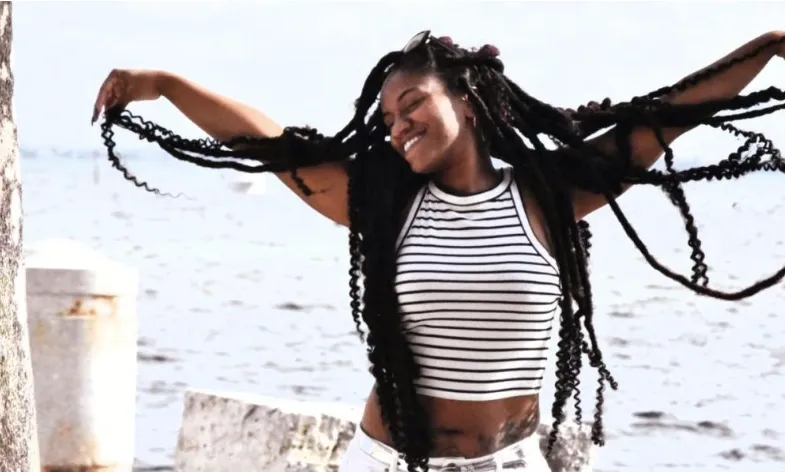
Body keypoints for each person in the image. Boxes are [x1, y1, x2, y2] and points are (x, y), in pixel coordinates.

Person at [91, 30, 785, 471]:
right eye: (388, 117)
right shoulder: (384, 204)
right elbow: (273, 147)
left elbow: (657, 120)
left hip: (512, 462)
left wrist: (763, 48)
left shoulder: (547, 195)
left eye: (411, 104)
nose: (396, 127)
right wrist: (167, 85)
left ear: (471, 103)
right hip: (396, 463)